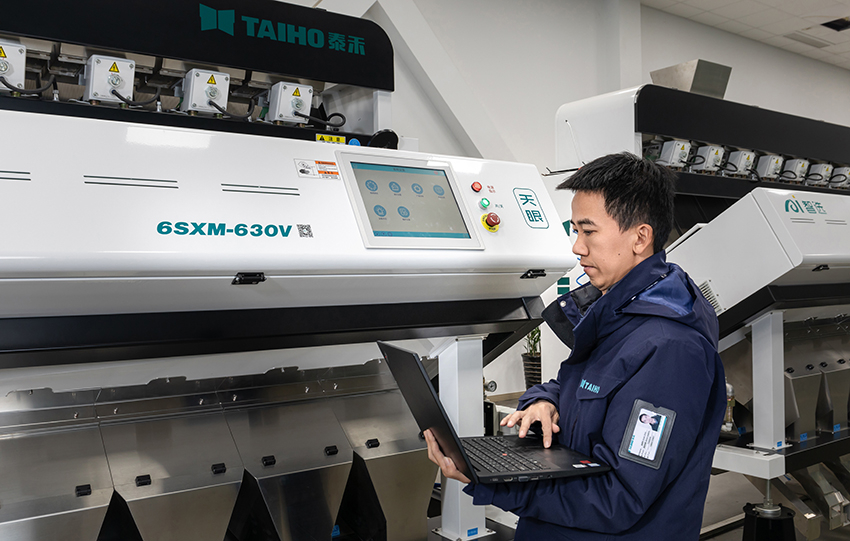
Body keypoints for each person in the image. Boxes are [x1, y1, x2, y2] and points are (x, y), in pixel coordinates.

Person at [424, 152, 726, 540]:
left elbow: (621, 498)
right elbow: (586, 387)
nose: (577, 247)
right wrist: (544, 401)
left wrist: (495, 481)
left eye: (589, 231)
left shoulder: (671, 350)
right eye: (575, 231)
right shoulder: (621, 314)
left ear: (640, 237)